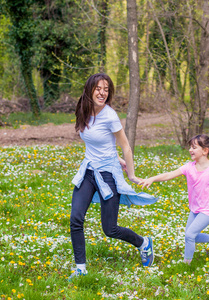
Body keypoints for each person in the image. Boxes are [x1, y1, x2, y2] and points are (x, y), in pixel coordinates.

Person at [69, 73, 157, 279]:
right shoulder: (83, 109)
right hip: (89, 171)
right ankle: (81, 269)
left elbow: (126, 146)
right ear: (90, 89)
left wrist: (132, 175)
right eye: (98, 88)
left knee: (110, 229)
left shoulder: (109, 115)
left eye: (106, 89)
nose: (102, 93)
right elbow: (98, 143)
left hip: (108, 175)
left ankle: (144, 243)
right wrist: (114, 156)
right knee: (75, 219)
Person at [140, 134, 209, 264]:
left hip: (208, 210)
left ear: (205, 151)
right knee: (192, 236)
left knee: (190, 235)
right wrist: (152, 178)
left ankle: (186, 265)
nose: (190, 150)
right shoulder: (189, 167)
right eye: (190, 147)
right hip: (195, 208)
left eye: (194, 147)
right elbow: (170, 174)